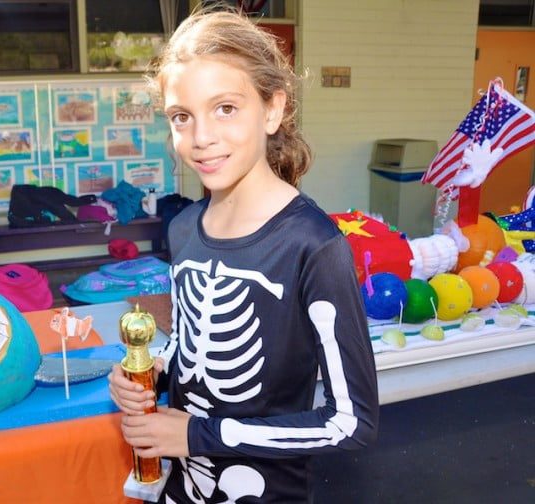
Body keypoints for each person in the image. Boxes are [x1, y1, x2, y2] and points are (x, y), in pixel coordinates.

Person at [109, 8, 379, 503]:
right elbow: (188, 341)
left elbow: (353, 422)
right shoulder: (184, 226)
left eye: (226, 108)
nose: (201, 137)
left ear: (272, 110)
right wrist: (146, 374)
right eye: (181, 117)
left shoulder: (314, 245)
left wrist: (197, 435)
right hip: (178, 490)